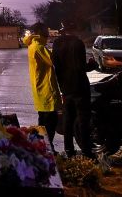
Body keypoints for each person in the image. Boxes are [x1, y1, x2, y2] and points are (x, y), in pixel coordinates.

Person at [51, 19, 95, 157]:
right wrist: (92, 65)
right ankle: (87, 151)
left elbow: (56, 65)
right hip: (80, 87)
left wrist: (61, 84)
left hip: (65, 87)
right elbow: (80, 67)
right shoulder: (78, 43)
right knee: (83, 120)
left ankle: (69, 150)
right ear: (74, 30)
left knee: (68, 120)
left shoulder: (57, 44)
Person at [24, 22, 61, 152]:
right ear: (39, 31)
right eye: (46, 29)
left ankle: (42, 147)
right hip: (46, 89)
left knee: (43, 121)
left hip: (40, 89)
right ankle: (46, 148)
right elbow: (54, 61)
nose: (48, 31)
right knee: (50, 122)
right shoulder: (39, 47)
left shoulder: (33, 45)